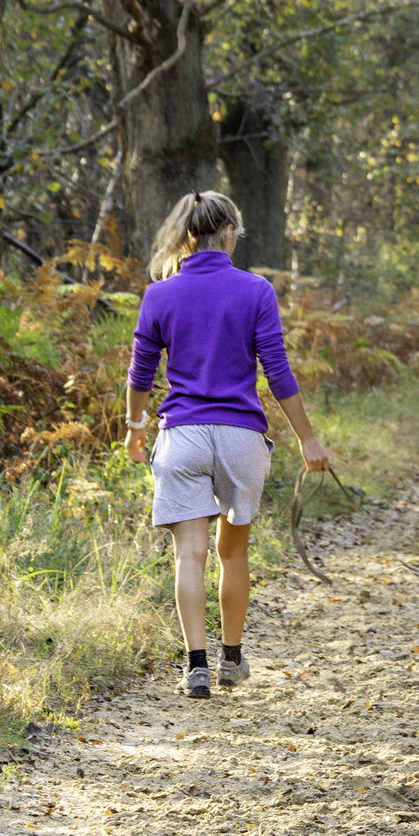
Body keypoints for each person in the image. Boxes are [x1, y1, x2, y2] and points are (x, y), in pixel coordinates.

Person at [124, 191, 330, 699]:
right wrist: (307, 438)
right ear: (230, 231)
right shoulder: (255, 289)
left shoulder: (159, 294)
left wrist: (133, 426)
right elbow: (277, 371)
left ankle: (196, 668)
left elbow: (140, 375)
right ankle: (232, 660)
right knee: (232, 553)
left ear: (186, 234)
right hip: (241, 438)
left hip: (184, 436)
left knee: (188, 556)